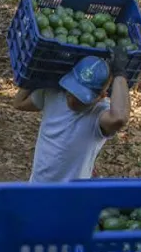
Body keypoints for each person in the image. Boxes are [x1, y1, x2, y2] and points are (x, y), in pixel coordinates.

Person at [12, 48, 131, 182]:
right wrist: (36, 73)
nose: (73, 100)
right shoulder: (53, 93)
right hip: (38, 185)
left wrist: (120, 74)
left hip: (72, 192)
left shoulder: (98, 114)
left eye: (82, 98)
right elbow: (19, 103)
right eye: (72, 91)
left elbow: (119, 118)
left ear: (101, 97)